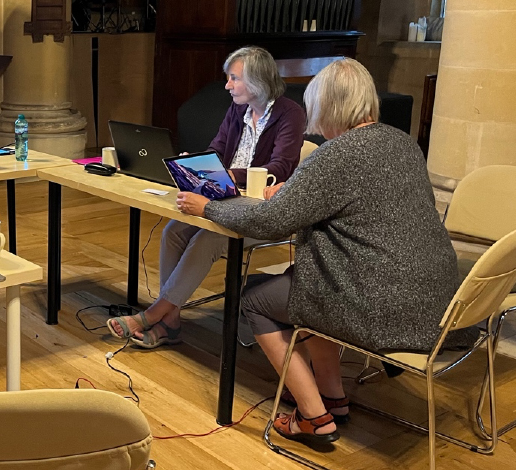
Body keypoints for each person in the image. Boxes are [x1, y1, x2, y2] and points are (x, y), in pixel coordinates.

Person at [175, 58, 473, 448]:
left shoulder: (336, 155)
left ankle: (313, 417)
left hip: (383, 306)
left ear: (328, 107)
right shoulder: (402, 142)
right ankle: (333, 396)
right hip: (437, 302)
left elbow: (269, 223)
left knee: (255, 300)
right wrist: (295, 192)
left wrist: (207, 207)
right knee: (307, 284)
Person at [108, 47, 305, 348]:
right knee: (173, 231)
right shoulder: (237, 109)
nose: (227, 85)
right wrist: (198, 163)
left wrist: (225, 174)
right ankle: (171, 322)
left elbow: (279, 167)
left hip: (263, 209)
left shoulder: (289, 114)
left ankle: (154, 314)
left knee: (208, 240)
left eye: (234, 78)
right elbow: (216, 148)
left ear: (257, 81)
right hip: (226, 196)